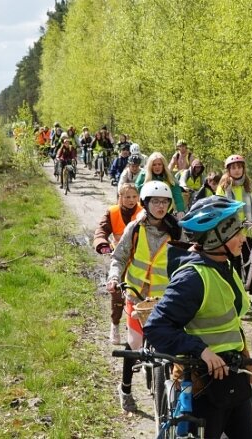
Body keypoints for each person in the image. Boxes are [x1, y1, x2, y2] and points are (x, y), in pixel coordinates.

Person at [144, 195, 252, 438]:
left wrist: (245, 358)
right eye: (237, 232)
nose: (243, 238)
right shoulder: (192, 278)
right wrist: (202, 350)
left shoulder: (224, 264)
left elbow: (229, 320)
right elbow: (156, 328)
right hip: (204, 384)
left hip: (233, 376)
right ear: (217, 238)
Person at [105, 181, 181, 412]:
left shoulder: (177, 230)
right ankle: (125, 389)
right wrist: (114, 278)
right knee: (135, 343)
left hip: (165, 298)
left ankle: (172, 388)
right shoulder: (135, 228)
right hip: (136, 296)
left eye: (165, 201)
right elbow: (119, 257)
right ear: (145, 204)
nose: (161, 206)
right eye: (155, 201)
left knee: (171, 345)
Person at [216, 154, 252, 316]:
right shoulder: (224, 186)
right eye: (233, 167)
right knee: (233, 266)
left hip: (249, 230)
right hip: (231, 232)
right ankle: (234, 297)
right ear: (228, 170)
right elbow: (218, 205)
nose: (237, 170)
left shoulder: (249, 185)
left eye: (239, 167)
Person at [93, 183, 143, 344]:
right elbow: (101, 230)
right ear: (120, 197)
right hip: (119, 257)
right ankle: (115, 324)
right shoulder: (112, 212)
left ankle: (135, 326)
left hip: (139, 260)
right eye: (127, 197)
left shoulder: (144, 213)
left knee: (138, 294)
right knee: (117, 294)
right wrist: (102, 244)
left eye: (134, 197)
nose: (131, 200)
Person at [135, 152, 186, 217]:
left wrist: (180, 210)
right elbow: (136, 192)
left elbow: (177, 195)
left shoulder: (169, 176)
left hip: (166, 210)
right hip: (146, 210)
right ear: (150, 165)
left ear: (163, 165)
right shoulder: (143, 175)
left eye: (159, 164)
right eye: (154, 165)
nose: (157, 167)